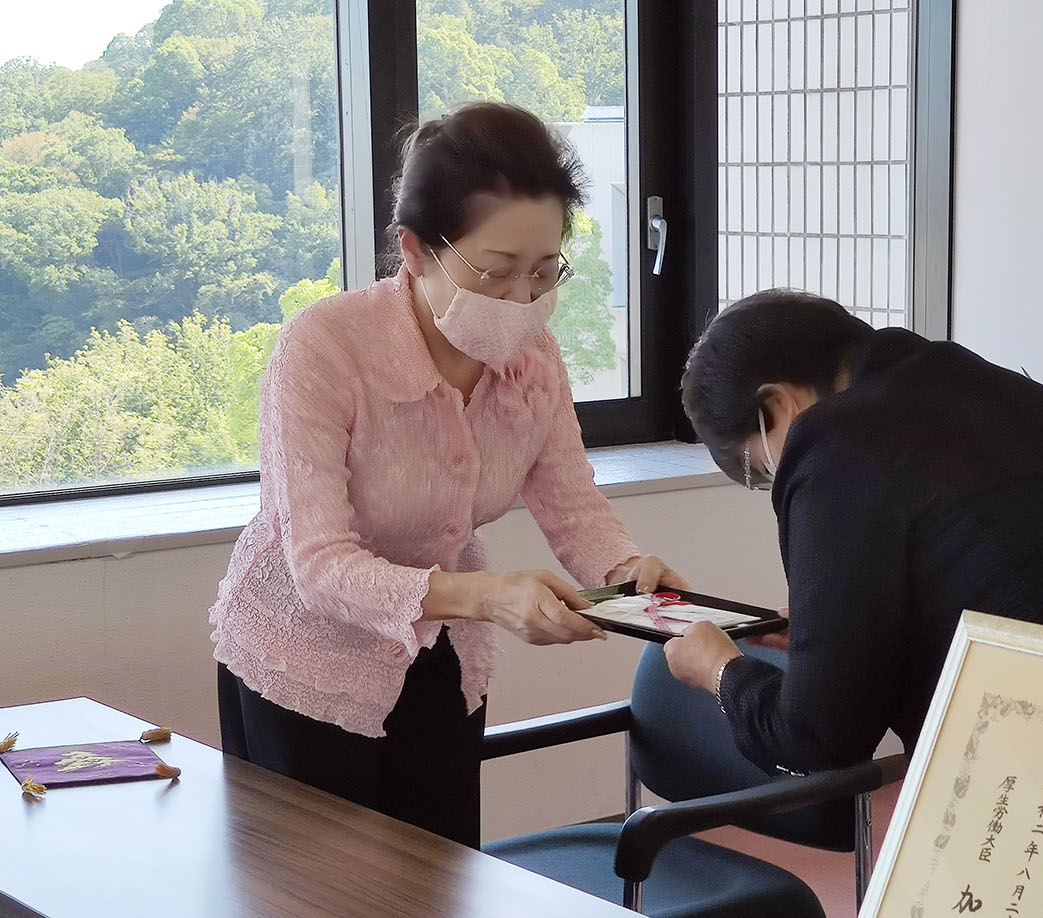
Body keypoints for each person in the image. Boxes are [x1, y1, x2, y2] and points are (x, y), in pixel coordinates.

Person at [209, 102, 687, 848]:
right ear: (415, 250)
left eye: (544, 272)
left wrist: (625, 573)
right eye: (496, 273)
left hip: (442, 654)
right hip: (302, 662)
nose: (523, 301)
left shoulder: (534, 357)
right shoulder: (324, 348)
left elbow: (572, 505)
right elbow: (319, 567)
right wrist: (488, 596)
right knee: (321, 889)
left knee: (441, 876)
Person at [665, 289, 1043, 777]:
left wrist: (720, 670)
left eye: (757, 471)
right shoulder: (1011, 393)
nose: (774, 480)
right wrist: (837, 640)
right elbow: (1008, 578)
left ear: (777, 405)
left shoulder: (833, 441)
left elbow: (817, 737)